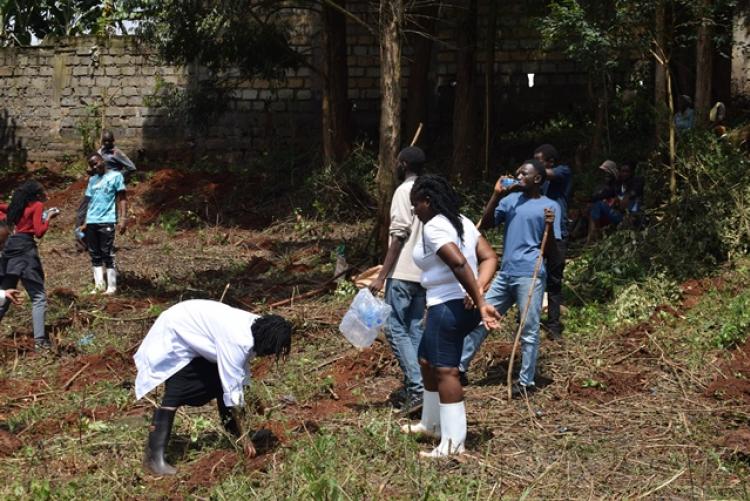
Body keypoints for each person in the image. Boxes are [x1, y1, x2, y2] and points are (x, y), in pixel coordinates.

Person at [400, 175, 500, 457]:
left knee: (446, 371)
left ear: (428, 201)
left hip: (450, 307)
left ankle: (454, 443)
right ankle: (431, 424)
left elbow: (457, 262)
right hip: (448, 303)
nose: (414, 211)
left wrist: (479, 299)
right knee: (425, 360)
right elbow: (490, 257)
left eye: (415, 204)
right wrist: (478, 287)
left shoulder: (435, 226)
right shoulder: (462, 221)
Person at [134, 299, 293, 475]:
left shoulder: (258, 326)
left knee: (221, 381)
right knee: (178, 390)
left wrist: (254, 400)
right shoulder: (237, 340)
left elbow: (240, 372)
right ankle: (153, 459)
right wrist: (246, 438)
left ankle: (234, 435)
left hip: (195, 330)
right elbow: (233, 388)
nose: (268, 354)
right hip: (176, 334)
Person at [459, 160, 561, 397]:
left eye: (524, 173)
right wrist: (496, 195)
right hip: (505, 274)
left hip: (530, 275)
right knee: (481, 319)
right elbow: (484, 224)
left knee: (529, 327)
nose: (517, 175)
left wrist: (548, 226)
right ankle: (460, 367)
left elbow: (554, 252)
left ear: (537, 179)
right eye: (518, 172)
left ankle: (526, 382)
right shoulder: (510, 201)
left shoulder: (550, 206)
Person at [368, 146, 426, 414]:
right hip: (423, 273)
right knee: (414, 329)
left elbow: (399, 235)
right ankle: (414, 386)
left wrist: (382, 276)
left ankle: (416, 389)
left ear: (403, 164)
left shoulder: (404, 191)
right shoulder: (429, 190)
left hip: (403, 272)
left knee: (393, 328)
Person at [0, 181, 60, 349]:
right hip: (26, 251)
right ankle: (40, 341)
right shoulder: (37, 206)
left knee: (5, 294)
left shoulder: (15, 207)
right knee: (38, 296)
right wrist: (47, 217)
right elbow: (39, 232)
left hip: (10, 250)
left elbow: (2, 208)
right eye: (42, 191)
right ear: (36, 194)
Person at [533, 144, 571, 341]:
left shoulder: (562, 171)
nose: (535, 166)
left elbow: (547, 174)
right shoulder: (539, 182)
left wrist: (531, 170)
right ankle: (529, 320)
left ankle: (554, 326)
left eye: (538, 161)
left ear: (549, 162)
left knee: (554, 281)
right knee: (536, 277)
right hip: (540, 234)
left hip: (558, 235)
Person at [80, 153, 127, 295]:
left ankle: (112, 286)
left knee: (107, 252)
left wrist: (123, 218)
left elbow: (122, 198)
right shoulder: (92, 180)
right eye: (92, 165)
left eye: (96, 163)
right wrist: (84, 221)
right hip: (92, 220)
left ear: (103, 161)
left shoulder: (116, 176)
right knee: (94, 254)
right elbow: (88, 201)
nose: (95, 166)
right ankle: (99, 285)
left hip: (107, 220)